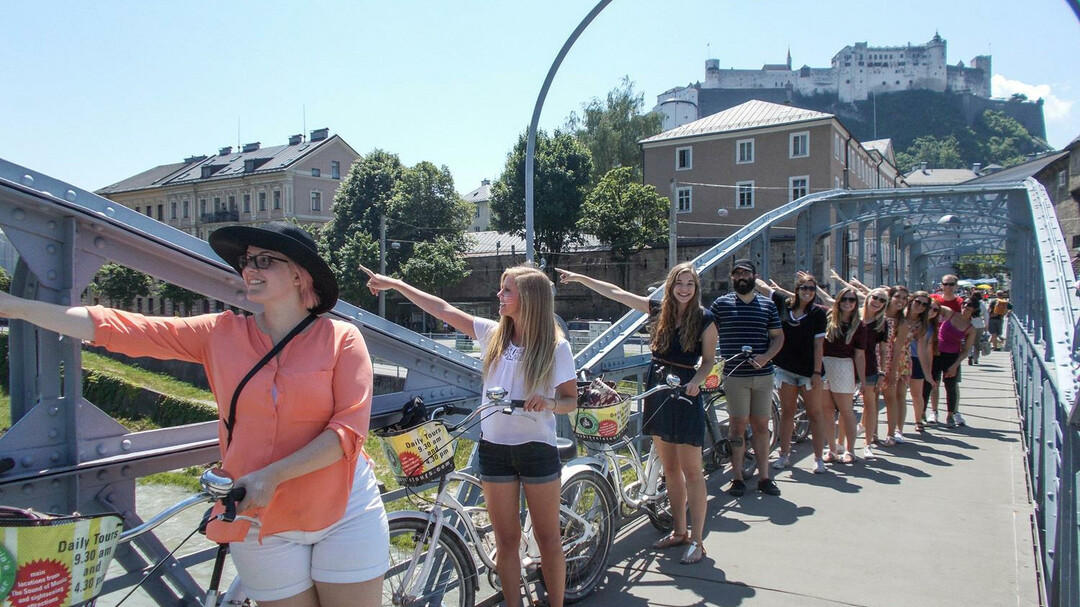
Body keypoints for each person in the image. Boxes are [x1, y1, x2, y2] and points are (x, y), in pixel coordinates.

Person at [0, 223, 387, 607]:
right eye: (246, 261)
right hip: (255, 515)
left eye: (264, 261)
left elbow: (347, 433)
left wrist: (273, 475)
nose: (249, 269)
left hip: (343, 510)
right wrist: (15, 307)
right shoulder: (219, 333)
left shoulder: (341, 339)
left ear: (300, 275)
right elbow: (124, 329)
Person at [362, 264, 577, 606]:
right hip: (493, 450)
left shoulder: (555, 347)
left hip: (536, 449)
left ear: (530, 299)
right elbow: (442, 309)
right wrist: (396, 284)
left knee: (547, 537)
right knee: (506, 541)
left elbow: (570, 400)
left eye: (507, 290)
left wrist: (550, 401)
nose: (499, 295)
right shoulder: (494, 335)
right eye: (501, 288)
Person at [557, 263, 717, 564]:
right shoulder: (658, 311)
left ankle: (697, 540)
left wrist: (696, 382)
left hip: (684, 392)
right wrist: (579, 277)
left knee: (692, 471)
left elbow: (708, 361)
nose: (685, 289)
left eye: (690, 284)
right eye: (680, 283)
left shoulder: (705, 319)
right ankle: (679, 531)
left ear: (696, 289)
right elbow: (616, 293)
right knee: (670, 469)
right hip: (658, 389)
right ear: (670, 285)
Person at [710, 259, 784, 497]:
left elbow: (778, 337)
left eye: (746, 273)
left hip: (762, 375)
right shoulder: (721, 305)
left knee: (762, 426)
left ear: (754, 276)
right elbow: (707, 333)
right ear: (732, 278)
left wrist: (765, 357)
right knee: (737, 426)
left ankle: (764, 476)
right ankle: (738, 477)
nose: (741, 277)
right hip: (734, 376)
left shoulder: (767, 305)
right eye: (737, 274)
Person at [755, 273, 827, 474]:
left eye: (812, 289)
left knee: (815, 414)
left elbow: (818, 345)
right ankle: (784, 455)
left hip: (808, 371)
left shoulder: (817, 314)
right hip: (786, 368)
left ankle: (819, 458)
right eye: (805, 288)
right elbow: (764, 289)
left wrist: (816, 372)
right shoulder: (784, 304)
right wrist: (750, 276)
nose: (808, 292)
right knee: (788, 413)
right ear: (797, 290)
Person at [820, 287, 866, 463]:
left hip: (844, 366)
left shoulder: (859, 326)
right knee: (827, 411)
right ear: (838, 301)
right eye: (844, 299)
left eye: (852, 300)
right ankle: (832, 449)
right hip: (825, 364)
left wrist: (861, 380)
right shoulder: (828, 318)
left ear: (856, 304)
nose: (848, 303)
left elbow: (859, 355)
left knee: (846, 411)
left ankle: (850, 450)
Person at [922, 293, 980, 428]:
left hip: (952, 357)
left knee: (950, 386)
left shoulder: (971, 329)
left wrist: (955, 365)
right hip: (936, 353)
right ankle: (923, 413)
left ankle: (950, 416)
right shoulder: (951, 314)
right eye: (964, 303)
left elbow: (966, 350)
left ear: (975, 309)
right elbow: (933, 306)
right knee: (929, 383)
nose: (965, 306)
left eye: (970, 305)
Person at [856, 287, 889, 459]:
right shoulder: (854, 315)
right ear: (868, 297)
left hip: (869, 366)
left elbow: (883, 350)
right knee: (844, 406)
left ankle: (867, 444)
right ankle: (842, 444)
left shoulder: (881, 323)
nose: (878, 302)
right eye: (876, 297)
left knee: (870, 405)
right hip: (848, 364)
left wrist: (882, 372)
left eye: (883, 300)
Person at [881, 286, 909, 446]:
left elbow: (898, 348)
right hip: (873, 357)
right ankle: (872, 434)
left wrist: (892, 371)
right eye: (898, 297)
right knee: (870, 399)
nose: (901, 301)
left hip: (891, 360)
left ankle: (891, 433)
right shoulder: (877, 314)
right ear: (890, 297)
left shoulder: (902, 322)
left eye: (905, 298)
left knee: (890, 398)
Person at [968, 294, 989, 365]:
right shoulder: (982, 305)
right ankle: (976, 358)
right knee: (976, 343)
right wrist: (986, 324)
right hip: (979, 326)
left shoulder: (968, 303)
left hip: (969, 325)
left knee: (969, 342)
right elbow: (986, 315)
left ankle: (969, 355)